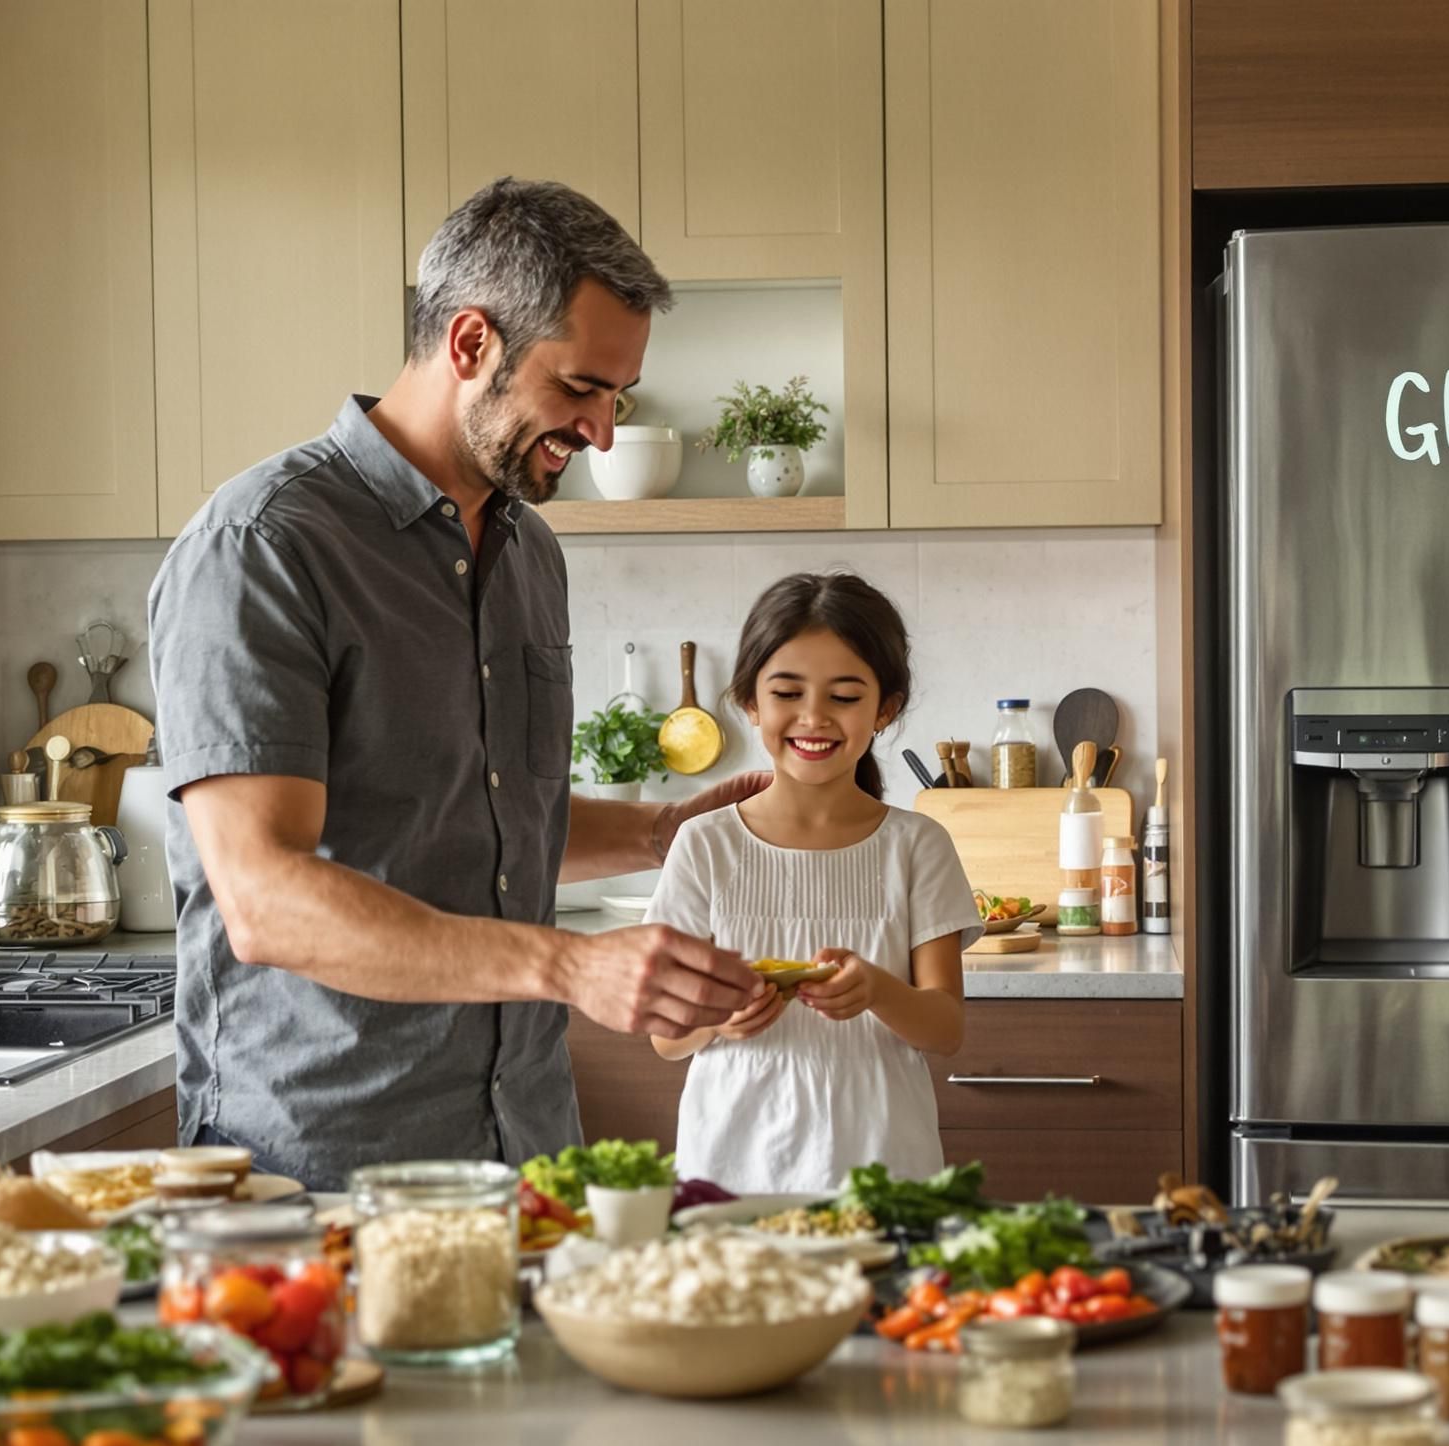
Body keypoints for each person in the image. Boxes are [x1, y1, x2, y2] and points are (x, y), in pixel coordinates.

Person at [146, 178, 767, 1191]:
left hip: (525, 1136)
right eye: (580, 389)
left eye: (617, 397)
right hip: (325, 1157)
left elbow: (476, 817)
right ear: (471, 341)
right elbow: (264, 898)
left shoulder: (527, 550)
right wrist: (569, 966)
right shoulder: (263, 545)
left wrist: (664, 834)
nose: (602, 433)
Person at [646, 573, 980, 1192]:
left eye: (845, 696)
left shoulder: (917, 845)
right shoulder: (705, 845)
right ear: (750, 702)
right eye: (787, 692)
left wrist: (878, 989)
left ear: (885, 709)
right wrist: (719, 1018)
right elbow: (666, 1036)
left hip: (884, 1162)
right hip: (732, 1163)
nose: (814, 717)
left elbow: (946, 1029)